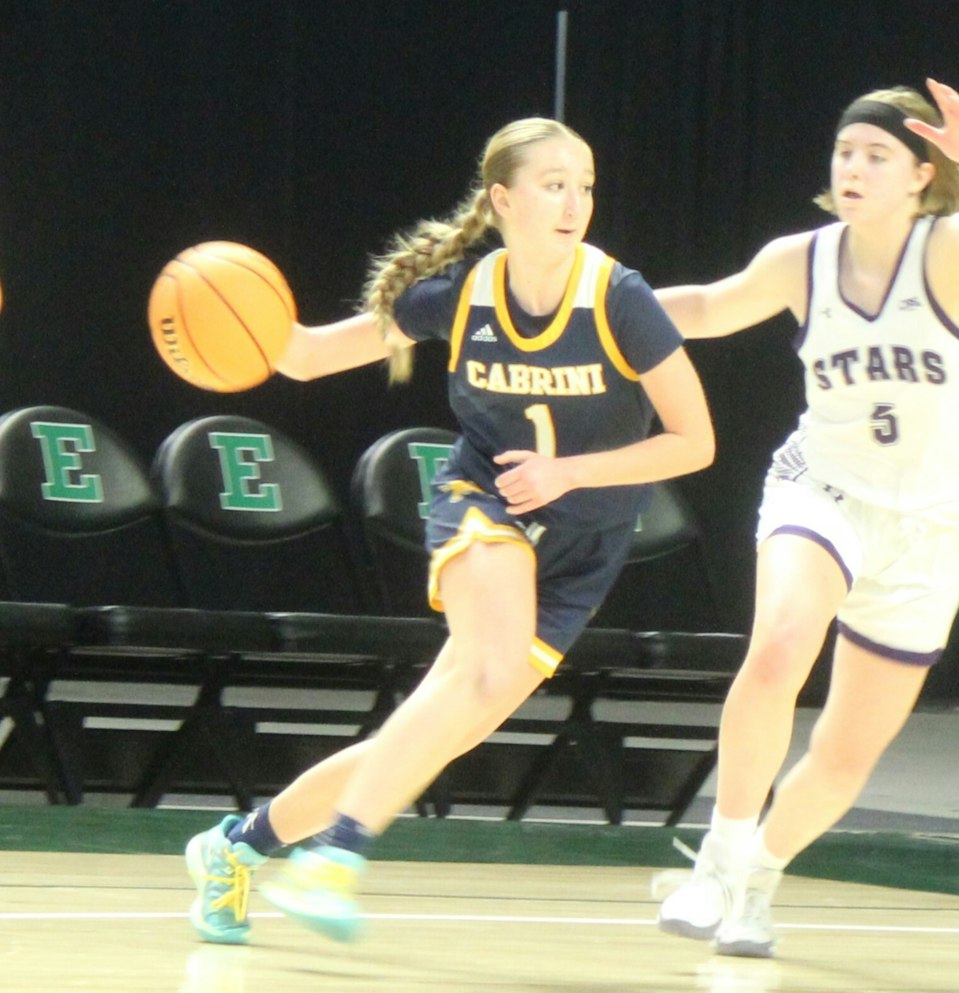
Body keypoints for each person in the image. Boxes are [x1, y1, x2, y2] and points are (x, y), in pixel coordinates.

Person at [183, 117, 714, 944]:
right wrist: (230, 313)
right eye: (553, 184)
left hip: (584, 541)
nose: (574, 202)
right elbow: (307, 357)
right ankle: (337, 857)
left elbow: (696, 441)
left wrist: (569, 473)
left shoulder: (619, 298)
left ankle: (237, 845)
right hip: (487, 500)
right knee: (483, 672)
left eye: (585, 186)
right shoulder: (465, 296)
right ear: (502, 199)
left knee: (444, 721)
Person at [652, 79, 959, 959]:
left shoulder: (951, 250)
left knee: (842, 755)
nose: (854, 167)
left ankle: (759, 877)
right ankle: (717, 857)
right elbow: (713, 308)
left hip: (934, 527)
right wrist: (600, 304)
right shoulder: (802, 258)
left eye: (876, 155)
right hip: (822, 487)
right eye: (845, 153)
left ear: (919, 175)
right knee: (782, 644)